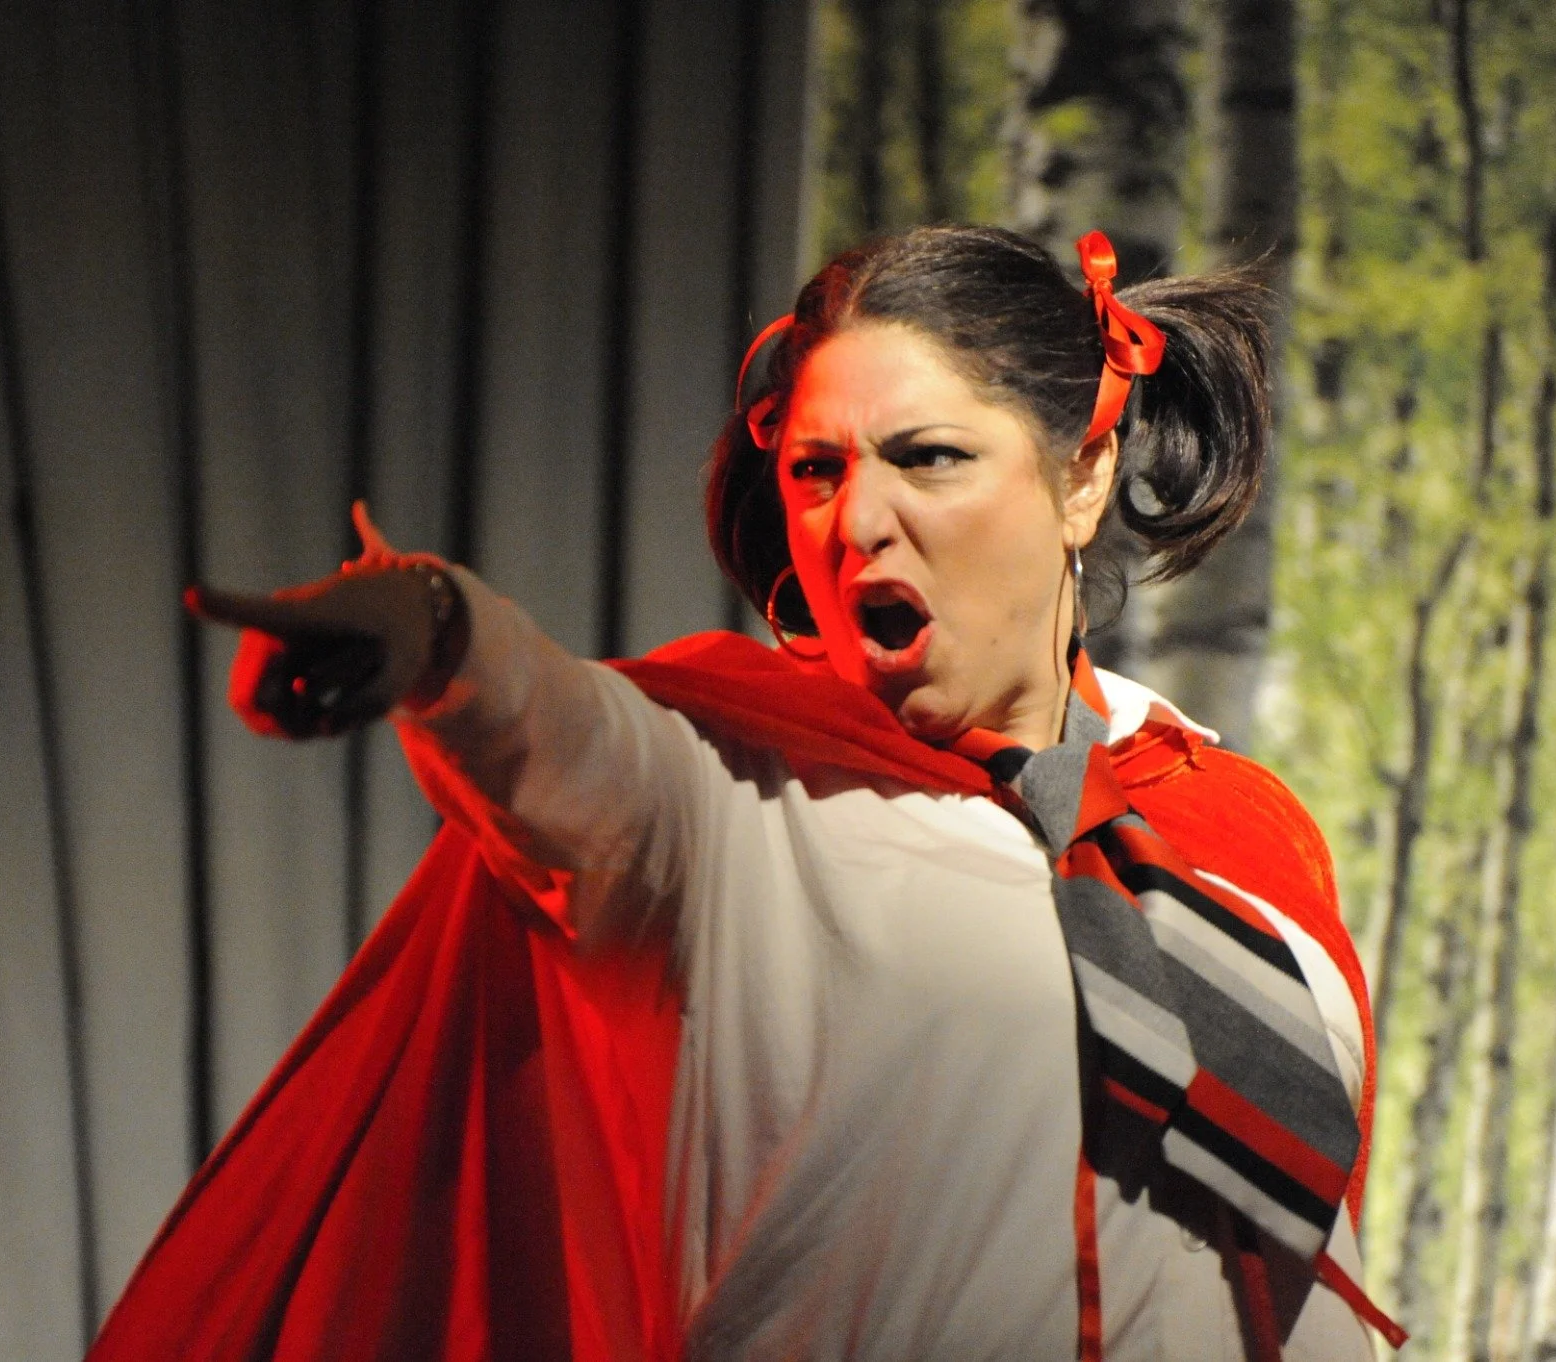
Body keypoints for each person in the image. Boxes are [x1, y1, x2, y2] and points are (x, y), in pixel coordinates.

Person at [88, 226, 1402, 1361]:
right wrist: (434, 627)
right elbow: (559, 729)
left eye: (928, 456)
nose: (857, 521)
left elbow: (1309, 1285)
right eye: (818, 470)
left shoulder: (1238, 837)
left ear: (1083, 474)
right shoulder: (727, 795)